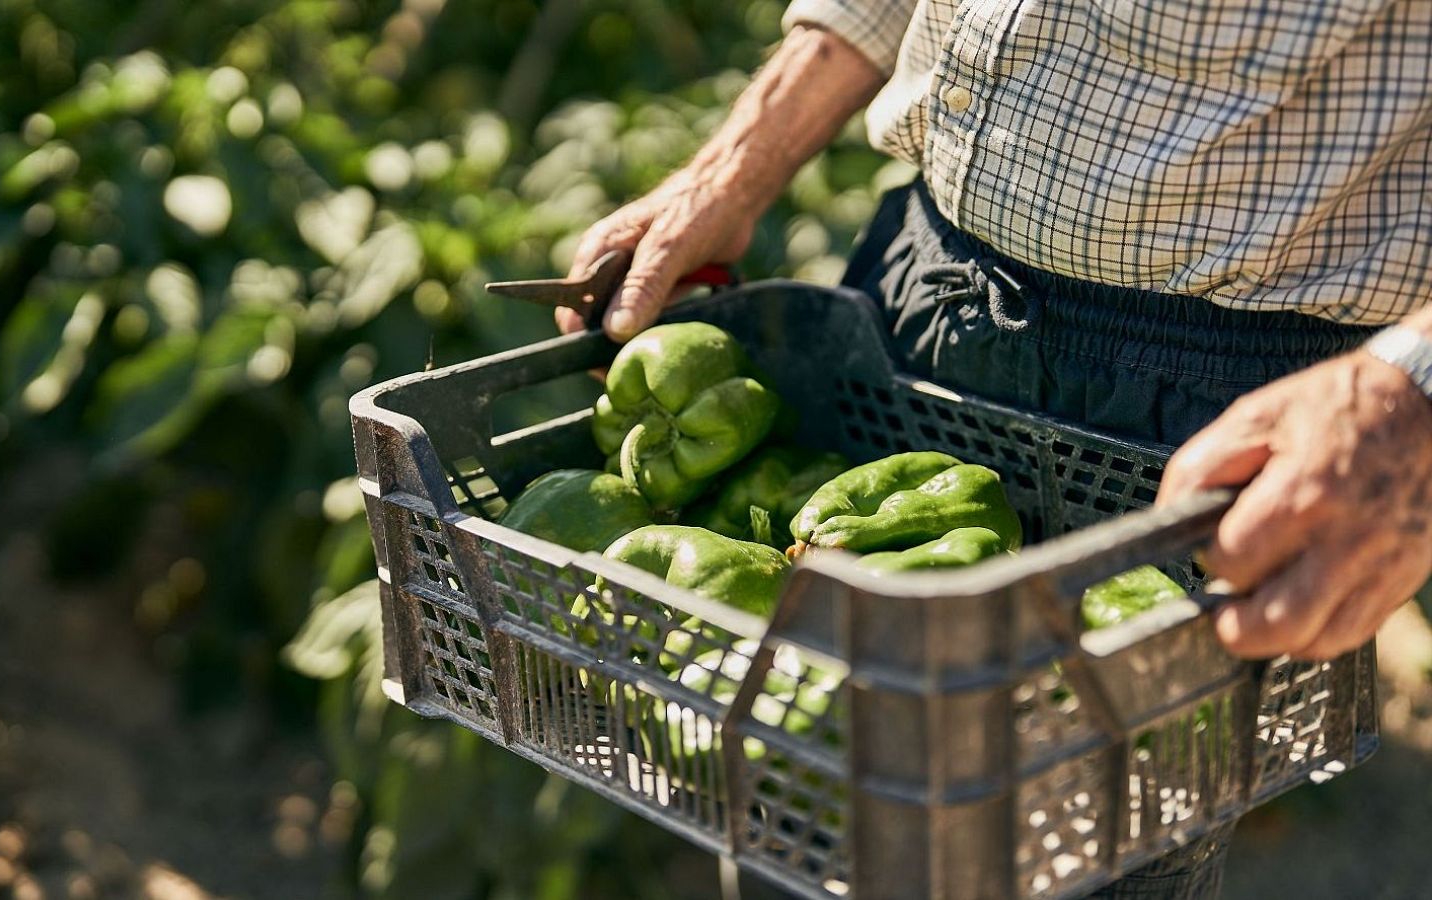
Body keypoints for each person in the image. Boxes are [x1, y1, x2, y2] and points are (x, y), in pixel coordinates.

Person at [556, 5, 1430, 894]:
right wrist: (735, 166)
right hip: (919, 284)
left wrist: (1413, 387)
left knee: (1087, 847)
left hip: (1215, 382)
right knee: (807, 829)